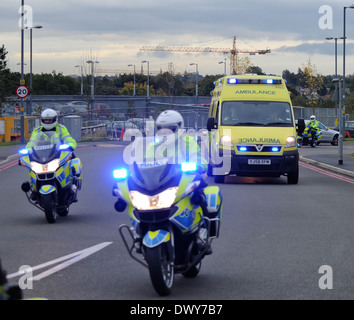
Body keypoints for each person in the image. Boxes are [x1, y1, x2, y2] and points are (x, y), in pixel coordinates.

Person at [146, 110, 212, 254]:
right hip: (159, 185)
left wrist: (198, 165)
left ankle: (203, 233)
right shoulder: (153, 146)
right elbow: (143, 164)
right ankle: (139, 232)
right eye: (162, 129)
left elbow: (199, 159)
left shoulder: (188, 142)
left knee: (200, 196)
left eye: (170, 129)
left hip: (183, 181)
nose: (165, 132)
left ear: (178, 127)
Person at [26, 108, 82, 201]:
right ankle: (34, 188)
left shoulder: (61, 129)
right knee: (30, 165)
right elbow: (31, 144)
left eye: (50, 120)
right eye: (45, 120)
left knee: (73, 160)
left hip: (58, 154)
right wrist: (27, 150)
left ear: (55, 119)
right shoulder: (36, 131)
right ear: (42, 120)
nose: (47, 122)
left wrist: (70, 145)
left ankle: (73, 184)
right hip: (42, 156)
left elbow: (69, 139)